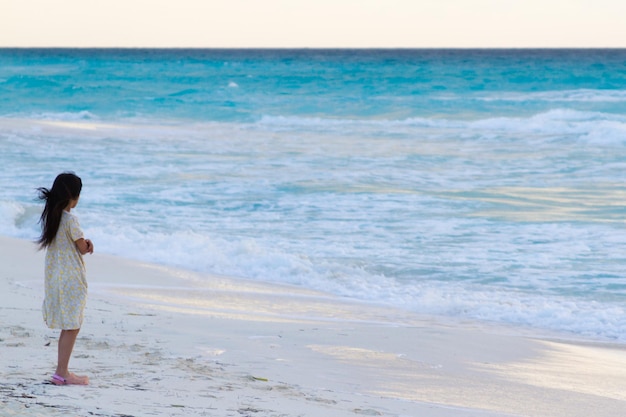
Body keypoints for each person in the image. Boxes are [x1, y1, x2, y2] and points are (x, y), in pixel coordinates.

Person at [37, 172, 94, 386]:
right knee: (72, 325)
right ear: (74, 197)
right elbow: (81, 247)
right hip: (71, 277)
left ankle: (62, 371)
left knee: (68, 324)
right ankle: (62, 373)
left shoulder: (51, 217)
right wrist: (88, 244)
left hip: (55, 276)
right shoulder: (71, 220)